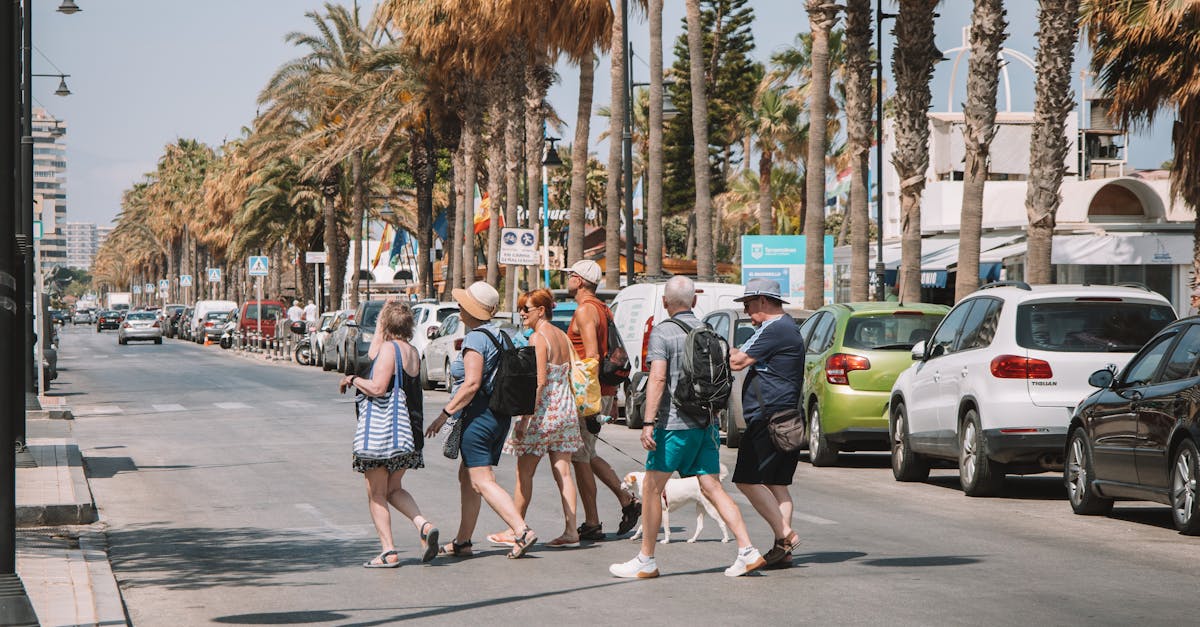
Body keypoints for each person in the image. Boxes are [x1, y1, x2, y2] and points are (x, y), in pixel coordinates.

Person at [609, 276, 765, 579]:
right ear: (694, 302)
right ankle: (747, 550)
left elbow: (656, 378)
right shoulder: (709, 330)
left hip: (673, 425)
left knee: (651, 489)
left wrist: (648, 422)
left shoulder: (663, 332)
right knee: (712, 487)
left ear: (666, 303)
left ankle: (646, 559)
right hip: (705, 424)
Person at [425, 281, 538, 559]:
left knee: (482, 479)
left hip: (479, 416)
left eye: (463, 303)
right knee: (468, 477)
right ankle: (463, 541)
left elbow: (472, 383)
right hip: (498, 416)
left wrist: (444, 415)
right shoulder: (500, 334)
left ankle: (521, 531)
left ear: (472, 309)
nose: (460, 307)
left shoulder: (476, 338)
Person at [339, 300, 437, 567]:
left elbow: (379, 387)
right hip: (406, 434)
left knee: (377, 493)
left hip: (383, 435)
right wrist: (386, 323)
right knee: (394, 489)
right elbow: (374, 355)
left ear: (384, 325)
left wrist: (353, 379)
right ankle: (424, 525)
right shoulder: (412, 351)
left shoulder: (389, 349)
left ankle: (388, 551)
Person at [488, 288, 584, 549]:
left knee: (524, 473)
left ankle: (514, 528)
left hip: (543, 412)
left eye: (525, 309)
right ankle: (571, 531)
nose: (521, 313)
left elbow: (539, 383)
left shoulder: (539, 338)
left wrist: (524, 419)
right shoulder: (562, 336)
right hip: (565, 410)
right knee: (563, 472)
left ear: (541, 310)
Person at [727, 278, 806, 568]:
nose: (747, 311)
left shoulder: (776, 329)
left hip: (768, 418)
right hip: (783, 416)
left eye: (748, 305)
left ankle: (785, 534)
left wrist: (721, 348)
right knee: (777, 483)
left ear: (762, 300)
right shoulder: (780, 329)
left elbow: (737, 361)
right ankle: (782, 549)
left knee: (746, 480)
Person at [565, 260, 640, 541]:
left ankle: (593, 522)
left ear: (581, 281)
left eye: (572, 275)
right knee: (588, 453)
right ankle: (627, 501)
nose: (569, 279)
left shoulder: (586, 310)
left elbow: (592, 357)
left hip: (590, 393)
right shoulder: (602, 307)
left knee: (580, 456)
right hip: (602, 392)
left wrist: (586, 403)